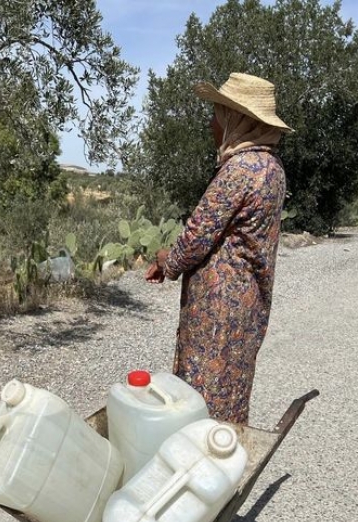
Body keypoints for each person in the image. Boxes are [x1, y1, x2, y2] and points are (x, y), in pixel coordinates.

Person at [145, 72, 293, 424]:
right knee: (232, 386)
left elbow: (197, 235)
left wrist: (167, 262)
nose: (212, 124)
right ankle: (227, 459)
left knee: (202, 395)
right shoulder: (273, 169)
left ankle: (201, 469)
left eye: (218, 115)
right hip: (247, 302)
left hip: (219, 308)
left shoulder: (240, 169)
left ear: (238, 120)